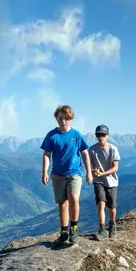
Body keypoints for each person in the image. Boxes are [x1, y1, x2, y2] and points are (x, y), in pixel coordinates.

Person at [41, 105, 92, 247]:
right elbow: (46, 155)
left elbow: (85, 153)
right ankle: (64, 233)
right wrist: (44, 172)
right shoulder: (52, 135)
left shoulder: (76, 135)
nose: (63, 121)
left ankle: (74, 229)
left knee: (74, 199)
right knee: (62, 203)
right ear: (56, 119)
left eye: (66, 119)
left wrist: (89, 171)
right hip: (57, 175)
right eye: (60, 118)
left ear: (71, 119)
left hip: (74, 173)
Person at [88, 124, 121, 240]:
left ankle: (112, 224)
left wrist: (103, 173)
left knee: (112, 206)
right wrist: (93, 171)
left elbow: (115, 168)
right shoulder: (91, 150)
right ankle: (102, 229)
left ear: (107, 135)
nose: (100, 137)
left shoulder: (113, 149)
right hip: (99, 181)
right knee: (101, 203)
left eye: (103, 135)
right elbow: (89, 166)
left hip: (111, 181)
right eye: (98, 135)